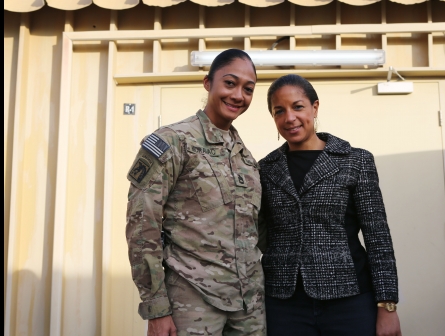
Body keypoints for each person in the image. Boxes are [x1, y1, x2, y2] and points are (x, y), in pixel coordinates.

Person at [125, 49, 265, 336]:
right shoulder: (173, 141)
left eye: (248, 89)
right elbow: (142, 224)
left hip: (249, 306)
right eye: (230, 83)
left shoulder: (246, 157)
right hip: (192, 301)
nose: (239, 95)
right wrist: (156, 307)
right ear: (207, 83)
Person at [257, 74, 401, 336]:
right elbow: (262, 234)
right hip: (284, 305)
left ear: (315, 107)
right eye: (279, 111)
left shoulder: (355, 161)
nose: (289, 118)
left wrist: (387, 305)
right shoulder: (264, 170)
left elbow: (378, 237)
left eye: (298, 106)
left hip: (349, 300)